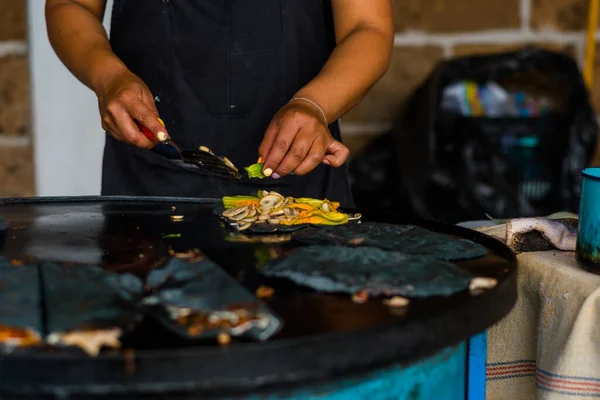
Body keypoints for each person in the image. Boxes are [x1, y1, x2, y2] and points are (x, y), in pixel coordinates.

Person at [45, 0, 393, 206]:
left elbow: (367, 26)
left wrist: (315, 105)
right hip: (151, 184)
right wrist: (109, 78)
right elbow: (69, 4)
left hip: (299, 186)